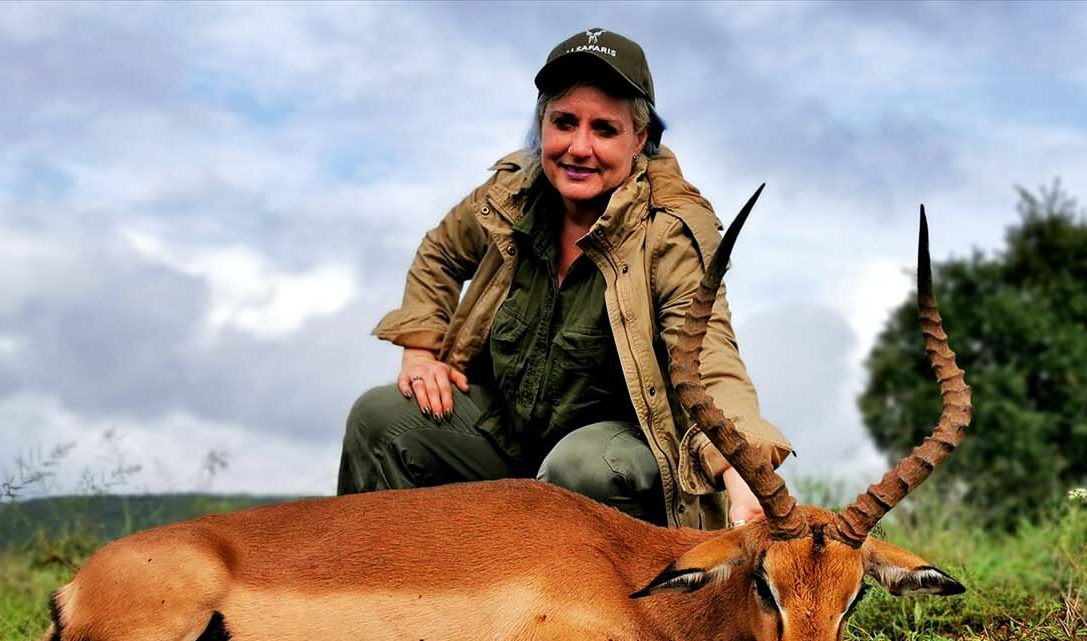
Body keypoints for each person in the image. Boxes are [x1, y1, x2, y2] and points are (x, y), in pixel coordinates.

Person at [337, 28, 790, 528]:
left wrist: (742, 472)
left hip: (622, 458)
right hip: (509, 436)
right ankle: (387, 596)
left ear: (640, 139)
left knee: (581, 465)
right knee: (379, 419)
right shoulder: (511, 194)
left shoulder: (671, 230)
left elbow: (708, 356)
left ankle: (555, 604)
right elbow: (440, 253)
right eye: (565, 123)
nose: (579, 147)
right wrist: (420, 351)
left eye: (604, 129)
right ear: (542, 124)